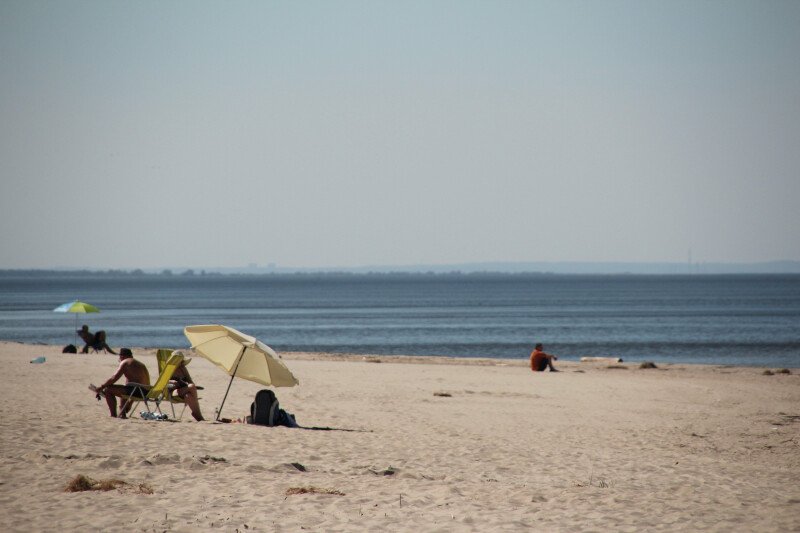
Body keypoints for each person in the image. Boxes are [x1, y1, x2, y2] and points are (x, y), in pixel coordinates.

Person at [90, 348, 150, 418]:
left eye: (120, 358)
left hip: (137, 391)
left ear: (122, 356)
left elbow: (114, 378)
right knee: (124, 388)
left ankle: (113, 415)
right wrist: (130, 403)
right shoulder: (139, 363)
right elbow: (133, 385)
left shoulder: (125, 362)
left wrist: (101, 387)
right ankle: (122, 413)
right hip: (146, 392)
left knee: (108, 390)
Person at [169, 356, 204, 421]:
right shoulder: (169, 368)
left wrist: (186, 383)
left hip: (184, 390)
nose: (180, 363)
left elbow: (190, 380)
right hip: (173, 391)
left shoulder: (183, 369)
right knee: (192, 387)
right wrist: (172, 382)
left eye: (181, 361)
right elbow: (163, 382)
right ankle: (198, 414)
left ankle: (197, 415)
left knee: (188, 396)